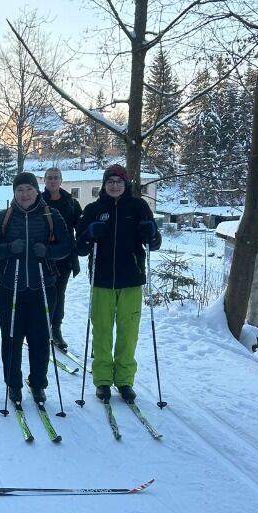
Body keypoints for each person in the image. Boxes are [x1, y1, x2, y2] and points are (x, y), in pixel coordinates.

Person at [0, 172, 71, 405]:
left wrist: (48, 251)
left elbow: (66, 246)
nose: (24, 194)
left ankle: (38, 383)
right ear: (14, 192)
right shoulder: (4, 216)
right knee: (11, 338)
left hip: (43, 287)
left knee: (40, 338)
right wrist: (9, 248)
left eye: (28, 189)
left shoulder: (51, 215)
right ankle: (13, 383)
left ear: (36, 190)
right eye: (19, 190)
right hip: (9, 287)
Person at [76, 164, 162, 403]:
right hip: (101, 280)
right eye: (110, 181)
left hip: (131, 279)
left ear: (126, 184)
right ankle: (103, 380)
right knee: (102, 331)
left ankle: (124, 381)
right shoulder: (93, 209)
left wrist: (151, 233)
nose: (114, 185)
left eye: (118, 182)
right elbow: (80, 247)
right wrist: (89, 234)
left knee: (128, 332)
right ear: (104, 184)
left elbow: (155, 243)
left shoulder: (138, 207)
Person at [41, 167, 83, 352]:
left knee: (59, 294)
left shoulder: (71, 203)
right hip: (43, 256)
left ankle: (56, 329)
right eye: (49, 178)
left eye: (56, 178)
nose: (52, 181)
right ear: (44, 180)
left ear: (61, 180)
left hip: (65, 257)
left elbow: (81, 228)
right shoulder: (38, 200)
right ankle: (41, 327)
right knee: (42, 294)